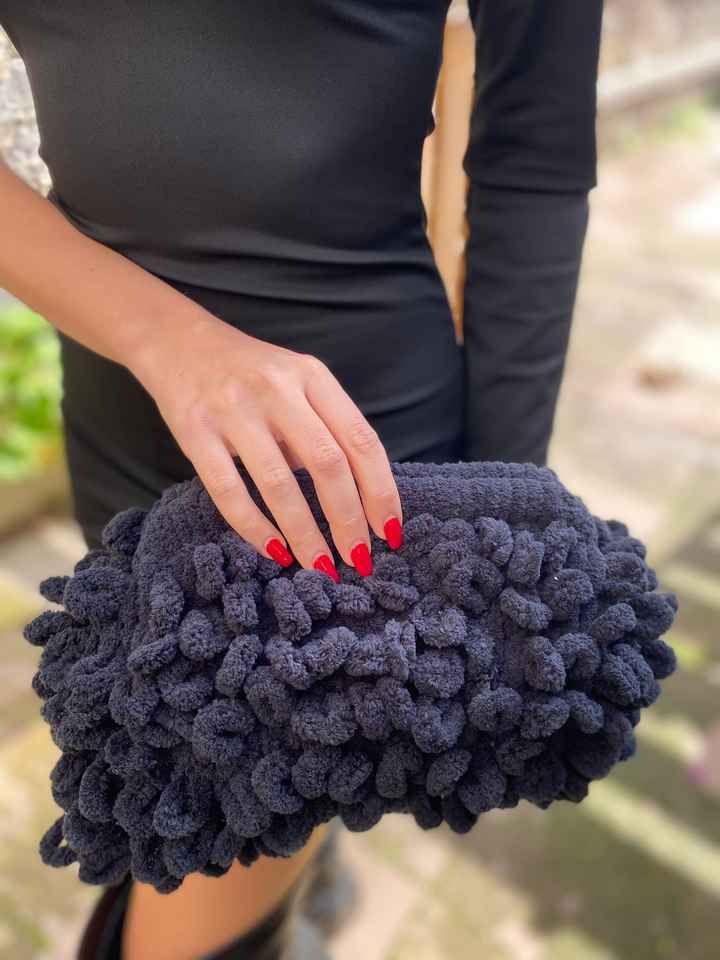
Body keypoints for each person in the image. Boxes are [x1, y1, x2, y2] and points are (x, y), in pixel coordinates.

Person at [0, 2, 604, 958]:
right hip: (119, 428)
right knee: (182, 789)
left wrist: (500, 521)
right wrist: (162, 337)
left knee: (194, 895)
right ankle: (310, 861)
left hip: (350, 479)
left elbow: (535, 157)